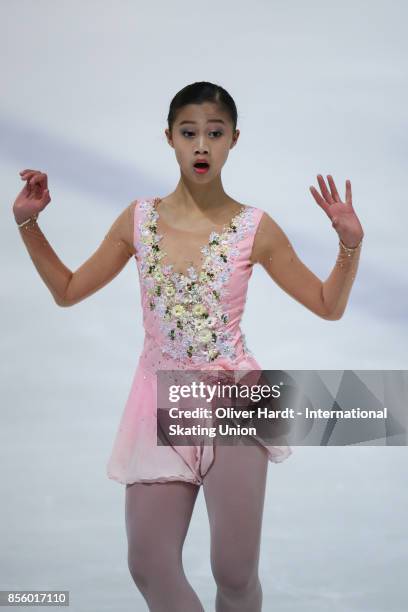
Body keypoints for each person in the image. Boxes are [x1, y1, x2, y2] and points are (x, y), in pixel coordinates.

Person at [13, 81, 364, 612]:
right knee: (149, 563)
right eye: (189, 132)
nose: (202, 145)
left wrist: (348, 246)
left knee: (234, 571)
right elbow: (67, 291)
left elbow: (326, 304)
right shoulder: (138, 220)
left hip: (236, 400)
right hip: (160, 403)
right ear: (170, 139)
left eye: (215, 133)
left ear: (233, 141)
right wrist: (28, 223)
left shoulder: (255, 228)